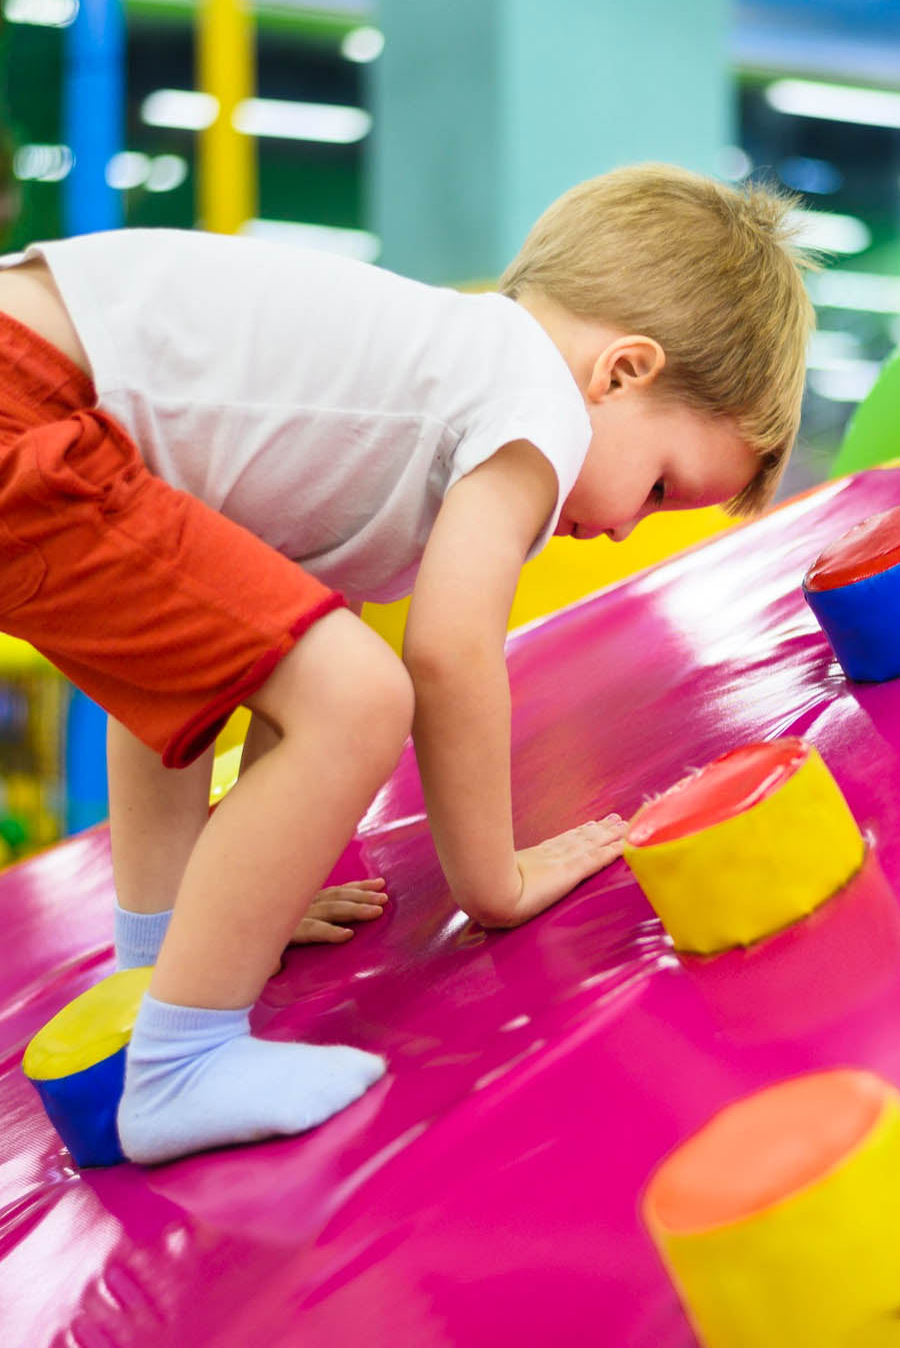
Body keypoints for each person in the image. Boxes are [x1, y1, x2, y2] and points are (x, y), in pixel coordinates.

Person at [0, 162, 814, 1164]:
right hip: (26, 393)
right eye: (656, 486)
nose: (620, 531)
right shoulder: (533, 401)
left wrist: (236, 904)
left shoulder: (397, 391)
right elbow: (448, 651)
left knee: (283, 668)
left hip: (34, 380)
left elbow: (195, 687)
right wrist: (494, 880)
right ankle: (181, 1062)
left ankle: (159, 970)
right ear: (621, 371)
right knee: (358, 695)